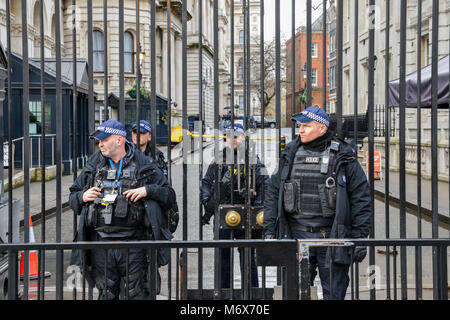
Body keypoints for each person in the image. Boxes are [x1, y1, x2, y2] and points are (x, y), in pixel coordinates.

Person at [263, 105, 372, 300]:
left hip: (331, 237)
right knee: (294, 293)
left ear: (322, 128)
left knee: (333, 293)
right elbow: (273, 192)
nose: (301, 130)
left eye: (307, 125)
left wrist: (360, 238)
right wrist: (270, 230)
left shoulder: (343, 156)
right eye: (299, 125)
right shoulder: (290, 153)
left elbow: (361, 199)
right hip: (295, 236)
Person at [69, 120, 176, 300]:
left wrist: (148, 190)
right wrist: (82, 196)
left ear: (119, 140)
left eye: (103, 140)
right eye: (98, 141)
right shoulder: (94, 165)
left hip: (135, 246)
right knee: (107, 294)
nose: (100, 144)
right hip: (101, 246)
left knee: (136, 294)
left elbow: (169, 195)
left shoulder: (143, 164)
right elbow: (73, 197)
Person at [201, 123, 265, 289]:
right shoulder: (219, 159)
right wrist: (207, 199)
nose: (232, 140)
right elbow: (206, 182)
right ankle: (223, 293)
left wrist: (257, 209)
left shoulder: (254, 161)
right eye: (229, 137)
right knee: (223, 259)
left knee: (248, 259)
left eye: (236, 136)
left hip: (247, 215)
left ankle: (251, 294)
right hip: (223, 214)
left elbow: (264, 186)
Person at [131, 120, 179, 233]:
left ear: (149, 137)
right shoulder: (126, 153)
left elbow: (165, 186)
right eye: (134, 132)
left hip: (151, 206)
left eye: (141, 133)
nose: (137, 135)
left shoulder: (156, 156)